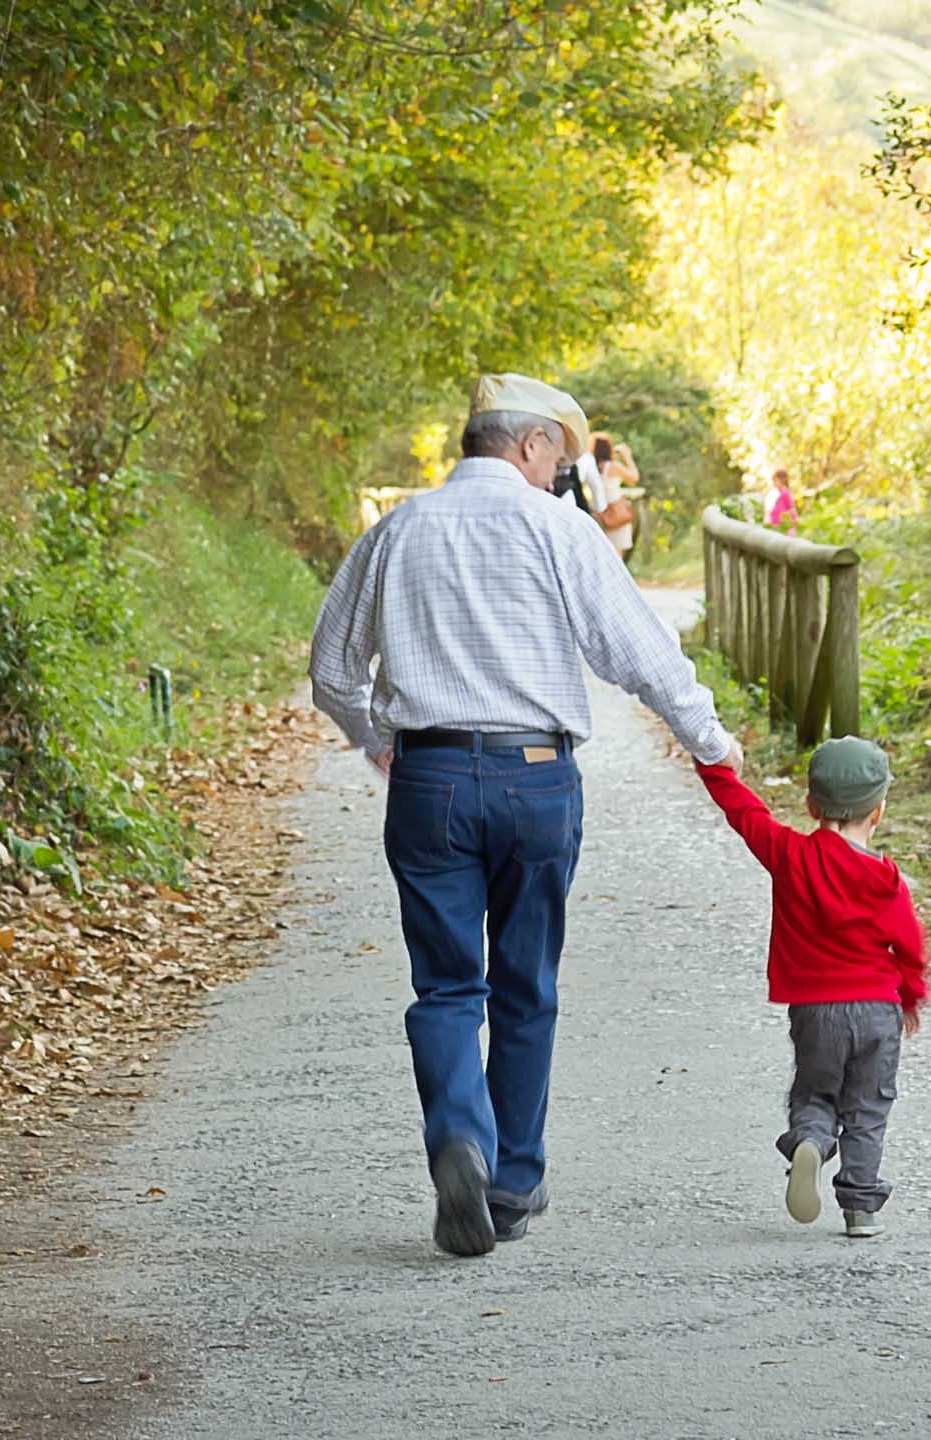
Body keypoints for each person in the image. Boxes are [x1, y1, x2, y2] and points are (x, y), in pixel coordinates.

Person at [310, 372, 743, 1257]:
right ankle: (511, 1181)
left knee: (444, 987)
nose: (561, 475)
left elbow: (331, 670)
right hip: (537, 778)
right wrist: (710, 740)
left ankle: (459, 1140)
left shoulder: (397, 530)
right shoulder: (559, 531)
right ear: (530, 444)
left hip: (428, 779)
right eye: (561, 456)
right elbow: (639, 655)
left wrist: (375, 737)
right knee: (525, 984)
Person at [694, 736, 927, 1239]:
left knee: (816, 1091)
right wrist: (910, 997)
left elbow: (743, 811)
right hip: (876, 1009)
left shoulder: (789, 855)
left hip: (815, 1009)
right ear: (879, 811)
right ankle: (861, 1210)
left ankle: (811, 1142)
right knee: (868, 1105)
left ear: (810, 804)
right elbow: (910, 945)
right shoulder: (886, 879)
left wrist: (710, 760)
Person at [586, 434, 639, 566]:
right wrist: (627, 456)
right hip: (616, 514)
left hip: (597, 513)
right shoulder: (613, 466)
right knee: (617, 556)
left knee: (600, 555)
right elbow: (634, 478)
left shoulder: (590, 465)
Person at [766, 468, 800, 532]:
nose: (774, 483)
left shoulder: (785, 492)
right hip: (775, 524)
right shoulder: (777, 492)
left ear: (783, 480)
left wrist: (795, 521)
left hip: (782, 525)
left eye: (775, 481)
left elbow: (791, 508)